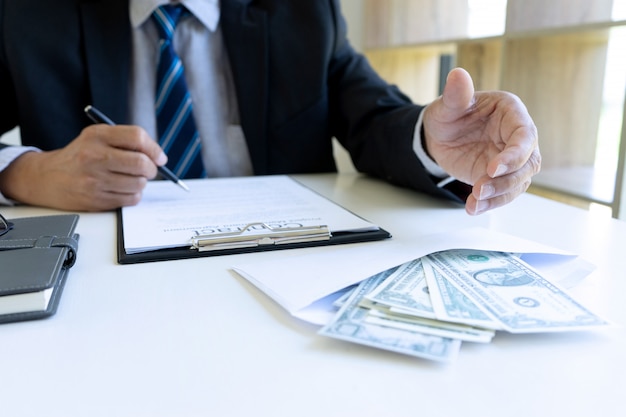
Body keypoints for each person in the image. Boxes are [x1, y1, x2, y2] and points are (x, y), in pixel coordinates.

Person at [0, 0, 540, 216]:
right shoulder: (29, 15)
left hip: (284, 271)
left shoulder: (303, 11)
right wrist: (25, 174)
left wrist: (435, 140)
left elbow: (374, 118)